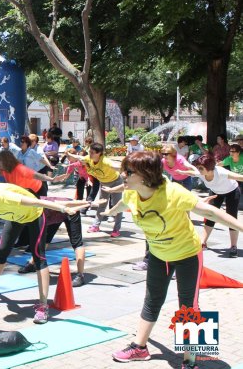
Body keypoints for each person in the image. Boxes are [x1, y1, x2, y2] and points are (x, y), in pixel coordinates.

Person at [104, 151, 243, 368]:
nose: (123, 175)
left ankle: (191, 360)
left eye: (128, 171)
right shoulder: (131, 193)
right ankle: (139, 347)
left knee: (189, 305)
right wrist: (109, 213)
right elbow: (123, 206)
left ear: (144, 175)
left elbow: (212, 213)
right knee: (152, 299)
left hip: (187, 254)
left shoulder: (172, 193)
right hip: (159, 255)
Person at [0, 178, 84, 323]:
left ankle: (43, 306)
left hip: (34, 214)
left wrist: (63, 209)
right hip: (15, 216)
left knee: (39, 258)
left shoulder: (6, 197)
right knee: (1, 253)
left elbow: (38, 202)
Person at [175, 154, 242, 257]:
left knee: (231, 218)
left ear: (210, 168)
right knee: (209, 216)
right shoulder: (202, 172)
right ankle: (203, 242)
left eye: (201, 168)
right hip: (216, 193)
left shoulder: (221, 172)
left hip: (231, 191)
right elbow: (193, 173)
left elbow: (240, 177)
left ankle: (233, 246)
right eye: (198, 168)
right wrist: (182, 172)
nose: (199, 170)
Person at [66, 143, 124, 237]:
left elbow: (117, 166)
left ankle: (116, 229)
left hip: (116, 182)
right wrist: (70, 155)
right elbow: (78, 157)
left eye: (92, 152)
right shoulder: (89, 158)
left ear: (99, 153)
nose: (90, 154)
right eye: (90, 152)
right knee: (102, 204)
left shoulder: (105, 161)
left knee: (117, 206)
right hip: (104, 183)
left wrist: (130, 168)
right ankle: (96, 226)